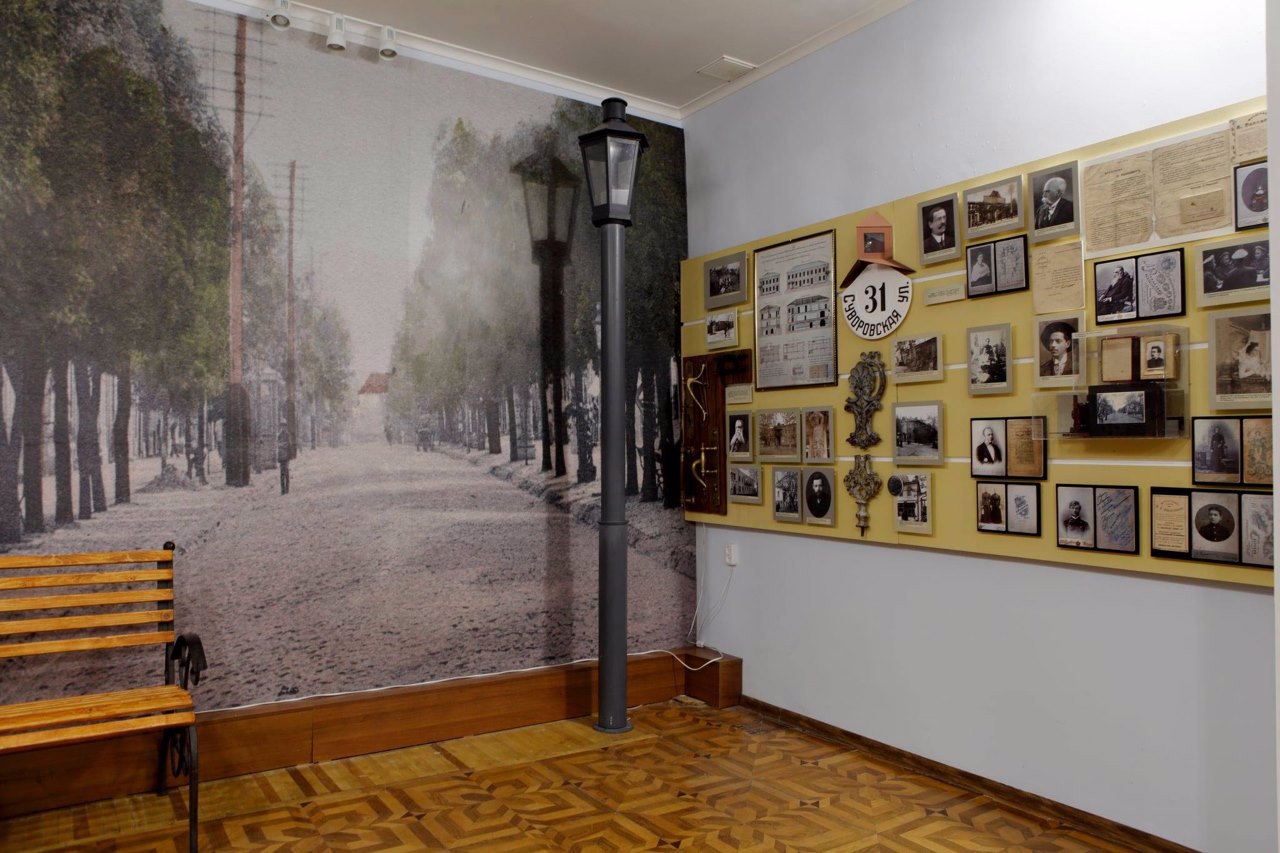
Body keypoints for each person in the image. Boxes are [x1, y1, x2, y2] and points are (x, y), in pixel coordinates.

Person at [276, 422, 291, 495]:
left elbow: (288, 445)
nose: (283, 428)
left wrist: (281, 445)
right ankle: (283, 490)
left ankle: (287, 489)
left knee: (286, 472)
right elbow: (277, 445)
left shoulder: (287, 435)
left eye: (284, 426)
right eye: (282, 426)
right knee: (281, 474)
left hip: (286, 456)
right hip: (281, 457)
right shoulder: (279, 435)